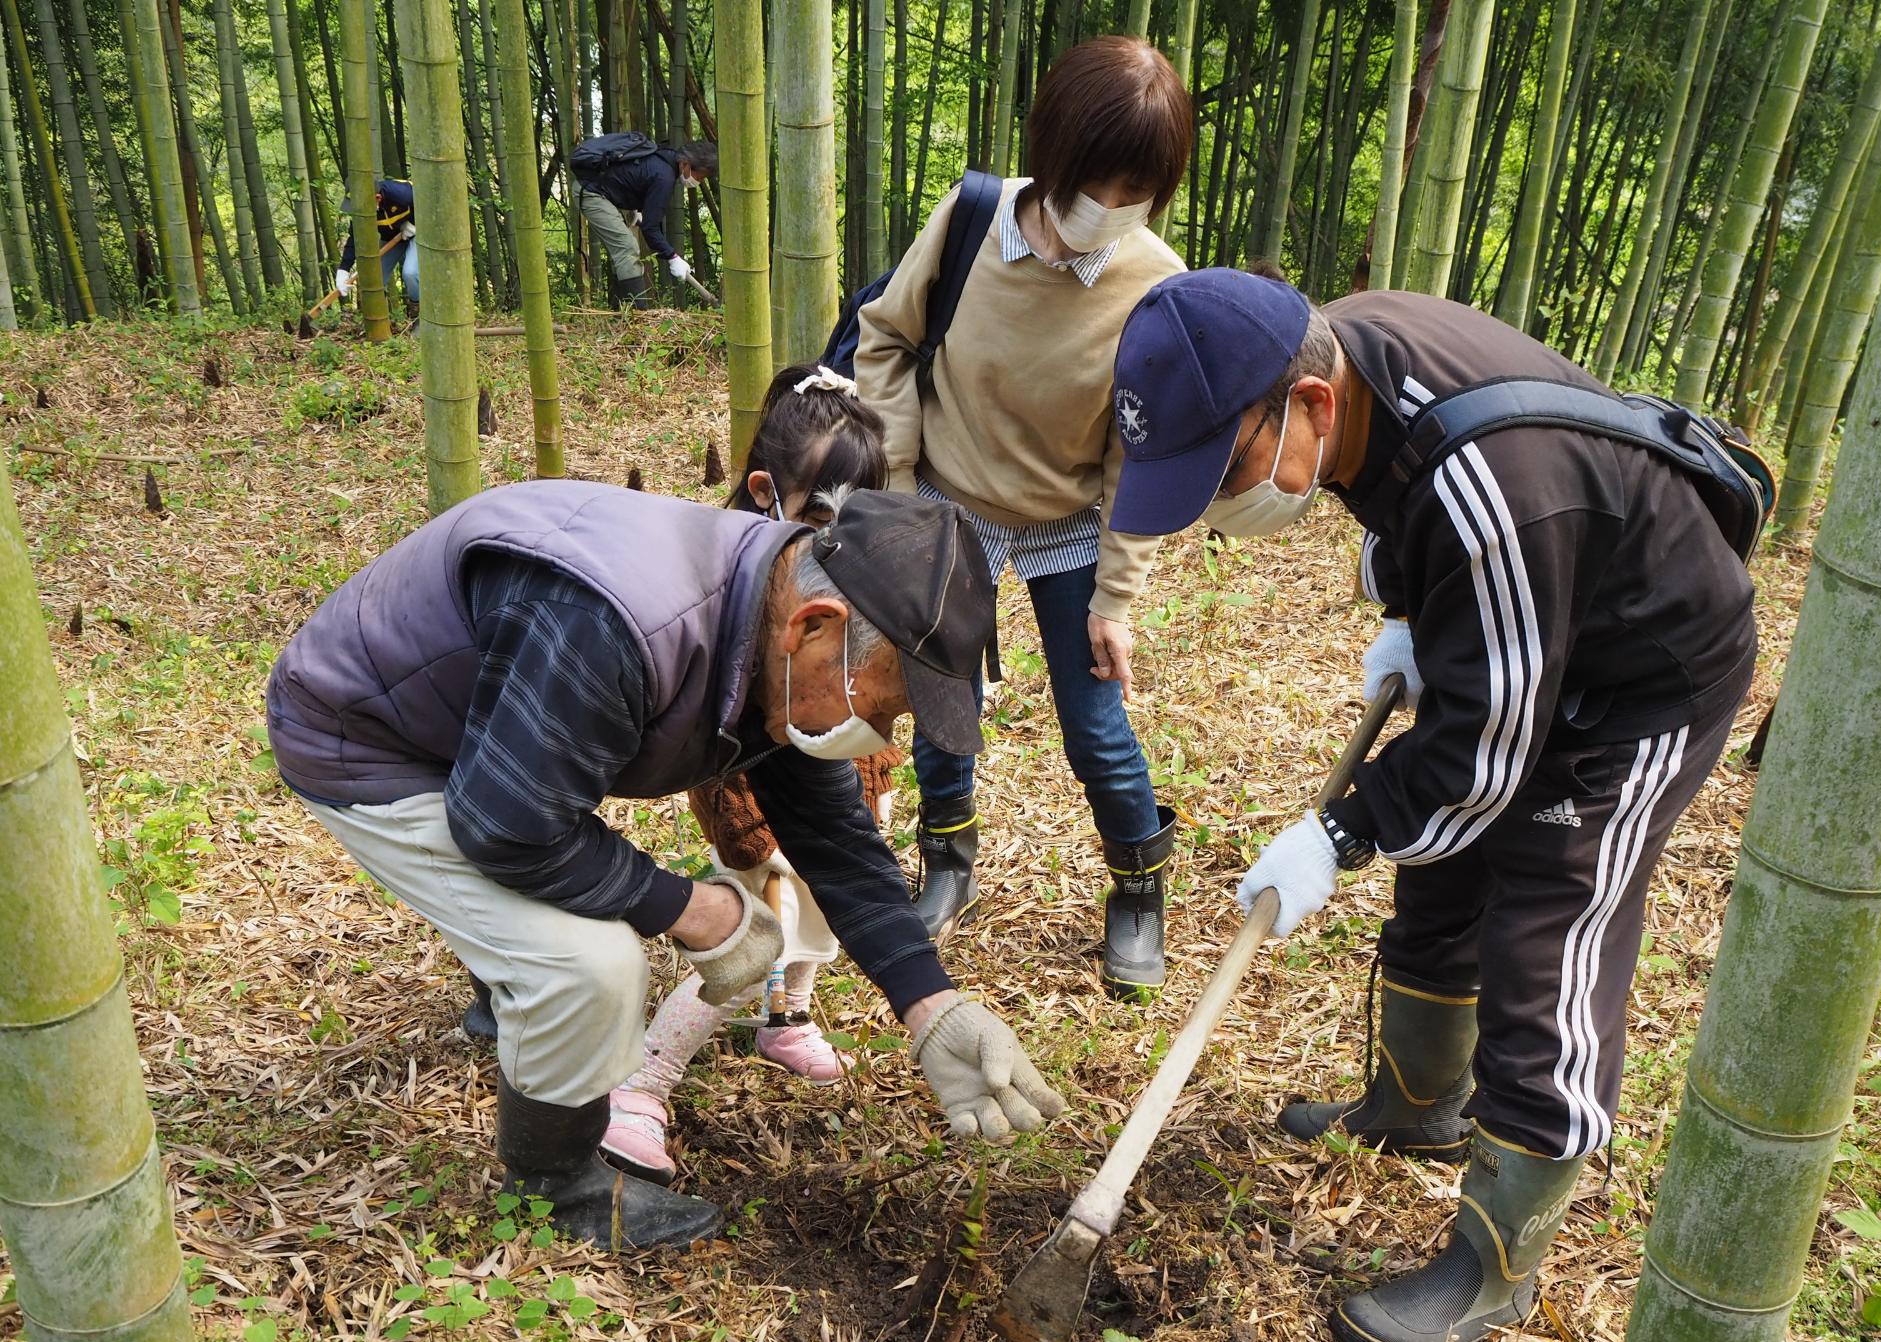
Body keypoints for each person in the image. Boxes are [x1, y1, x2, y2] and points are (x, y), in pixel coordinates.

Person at [1106, 268, 1757, 1342]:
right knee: (1444, 869)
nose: (1219, 509)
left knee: (1549, 918)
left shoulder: (1490, 490)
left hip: (1639, 671)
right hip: (1538, 615)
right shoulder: (1345, 354)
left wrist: (1338, 833)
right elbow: (1409, 516)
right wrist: (1416, 614)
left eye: (1224, 474)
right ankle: (1416, 1103)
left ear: (1307, 406)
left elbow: (1479, 755)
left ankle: (1494, 1267)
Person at [266, 478, 1067, 1254]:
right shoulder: (615, 628)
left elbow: (837, 841)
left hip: (481, 723)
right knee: (590, 966)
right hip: (371, 736)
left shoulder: (775, 631)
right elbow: (508, 825)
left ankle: (506, 1000)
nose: (887, 736)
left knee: (551, 878)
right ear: (813, 628)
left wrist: (932, 1006)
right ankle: (557, 1189)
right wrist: (694, 910)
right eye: (888, 706)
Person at [855, 35, 1193, 998]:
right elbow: (886, 336)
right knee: (942, 702)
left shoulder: (1155, 282)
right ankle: (948, 856)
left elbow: (1142, 454)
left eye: (1140, 192)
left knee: (1095, 724)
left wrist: (1117, 598)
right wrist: (900, 479)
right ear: (1056, 156)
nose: (1115, 210)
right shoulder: (972, 221)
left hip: (1072, 521)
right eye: (1102, 185)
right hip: (950, 501)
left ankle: (1137, 889)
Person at [598, 364, 906, 1178]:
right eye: (815, 516)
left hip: (840, 753)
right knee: (757, 914)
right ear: (766, 491)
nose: (830, 540)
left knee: (826, 900)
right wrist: (749, 823)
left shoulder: (853, 573)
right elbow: (720, 724)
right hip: (755, 778)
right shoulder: (726, 577)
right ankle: (644, 1080)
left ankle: (789, 1015)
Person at [570, 135, 718, 308]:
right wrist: (672, 256)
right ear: (685, 164)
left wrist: (638, 209)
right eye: (699, 177)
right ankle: (638, 316)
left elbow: (634, 179)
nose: (698, 182)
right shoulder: (664, 176)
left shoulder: (665, 158)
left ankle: (618, 311)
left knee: (623, 251)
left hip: (601, 192)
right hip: (591, 193)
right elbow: (650, 228)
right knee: (626, 248)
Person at [333, 178, 419, 319]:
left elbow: (430, 204)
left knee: (410, 273)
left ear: (377, 198)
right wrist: (344, 269)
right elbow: (355, 238)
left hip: (418, 234)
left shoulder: (401, 193)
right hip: (393, 238)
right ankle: (379, 322)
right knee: (374, 277)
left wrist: (414, 222)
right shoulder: (361, 213)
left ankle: (418, 314)